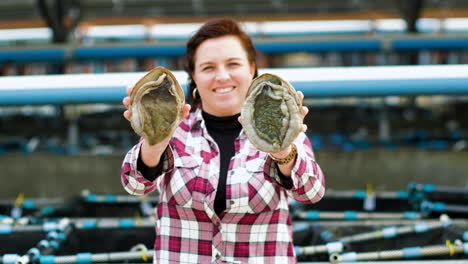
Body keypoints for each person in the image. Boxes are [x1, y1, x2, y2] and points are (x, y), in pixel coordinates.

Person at [121, 18, 325, 264]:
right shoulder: (174, 131)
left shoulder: (285, 132)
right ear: (193, 77)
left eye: (233, 64)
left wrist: (283, 151)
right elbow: (134, 185)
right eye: (208, 68)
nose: (222, 76)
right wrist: (154, 142)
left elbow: (311, 192)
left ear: (251, 69)